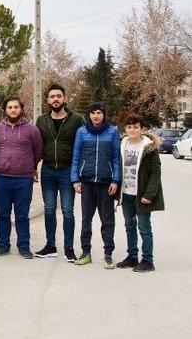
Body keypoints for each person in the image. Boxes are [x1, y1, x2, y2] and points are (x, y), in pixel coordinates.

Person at [34, 84, 85, 262]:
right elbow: (36, 146)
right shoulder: (41, 120)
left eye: (58, 96)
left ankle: (69, 248)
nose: (55, 99)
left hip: (68, 171)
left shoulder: (77, 119)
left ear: (64, 98)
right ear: (47, 100)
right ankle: (50, 246)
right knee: (49, 210)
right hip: (47, 170)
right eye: (52, 96)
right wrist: (33, 166)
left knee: (67, 211)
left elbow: (84, 144)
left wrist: (80, 172)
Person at [71, 102, 121, 269]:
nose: (96, 116)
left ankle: (108, 254)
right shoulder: (82, 131)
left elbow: (116, 158)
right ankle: (86, 252)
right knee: (86, 220)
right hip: (86, 182)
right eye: (93, 113)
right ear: (89, 115)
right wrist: (75, 180)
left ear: (103, 114)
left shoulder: (112, 131)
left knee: (107, 221)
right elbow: (76, 157)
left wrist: (115, 180)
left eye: (99, 112)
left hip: (106, 183)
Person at [0, 96, 42, 259]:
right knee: (3, 214)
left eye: (16, 107)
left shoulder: (32, 129)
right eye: (9, 107)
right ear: (5, 110)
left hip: (23, 180)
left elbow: (38, 151)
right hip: (1, 178)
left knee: (22, 215)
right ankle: (3, 245)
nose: (13, 110)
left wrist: (31, 167)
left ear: (21, 109)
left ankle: (24, 246)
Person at [117, 114, 164, 273]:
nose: (132, 130)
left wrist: (149, 195)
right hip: (126, 193)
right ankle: (132, 257)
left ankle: (148, 260)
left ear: (141, 129)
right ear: (125, 129)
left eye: (135, 127)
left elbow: (155, 173)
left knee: (144, 227)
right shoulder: (122, 144)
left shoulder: (149, 148)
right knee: (129, 225)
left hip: (141, 195)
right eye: (129, 127)